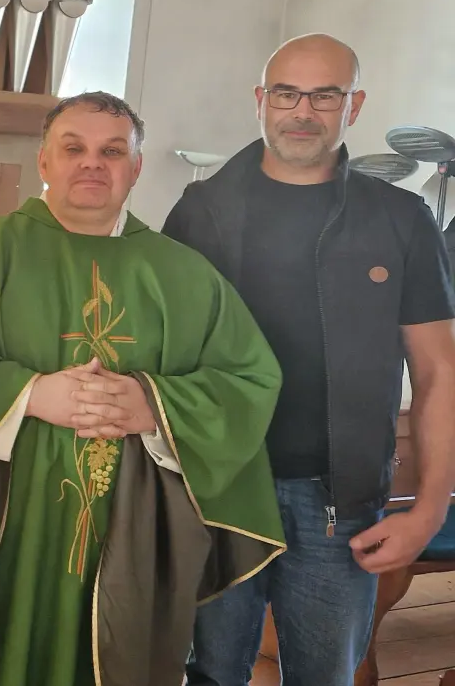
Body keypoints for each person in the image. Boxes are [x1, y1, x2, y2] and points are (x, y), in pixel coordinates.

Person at [0, 92, 285, 686]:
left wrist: (155, 406)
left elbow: (248, 379)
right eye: (74, 148)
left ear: (136, 168)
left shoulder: (186, 274)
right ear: (44, 161)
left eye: (113, 151)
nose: (92, 163)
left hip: (134, 515)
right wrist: (29, 395)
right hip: (4, 516)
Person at [169, 34, 455, 685]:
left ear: (354, 105)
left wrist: (429, 508)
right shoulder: (200, 212)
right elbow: (163, 355)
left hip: (338, 502)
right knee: (209, 673)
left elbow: (438, 372)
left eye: (325, 96)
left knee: (326, 677)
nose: (303, 111)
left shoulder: (402, 219)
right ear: (261, 100)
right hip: (217, 492)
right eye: (287, 94)